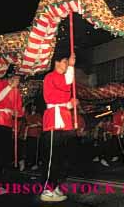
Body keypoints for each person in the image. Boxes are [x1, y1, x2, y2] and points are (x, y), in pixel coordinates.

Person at [40, 53, 76, 202]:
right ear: (57, 62)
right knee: (52, 157)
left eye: (68, 62)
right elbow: (64, 85)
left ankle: (54, 186)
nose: (67, 64)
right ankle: (47, 190)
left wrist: (69, 104)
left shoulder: (61, 78)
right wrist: (72, 67)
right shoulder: (50, 77)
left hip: (63, 117)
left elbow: (62, 97)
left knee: (60, 157)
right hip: (54, 118)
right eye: (65, 62)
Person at [0, 66, 24, 194]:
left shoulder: (16, 91)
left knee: (3, 155)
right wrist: (9, 87)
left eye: (19, 78)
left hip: (7, 124)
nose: (18, 81)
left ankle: (0, 183)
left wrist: (17, 112)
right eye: (17, 77)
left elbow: (19, 112)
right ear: (11, 76)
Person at [23, 104, 42, 170]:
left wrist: (32, 125)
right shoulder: (28, 115)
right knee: (29, 149)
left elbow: (40, 124)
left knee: (35, 150)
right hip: (29, 134)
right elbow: (26, 121)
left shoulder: (38, 115)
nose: (33, 107)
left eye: (34, 106)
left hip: (36, 134)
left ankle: (35, 163)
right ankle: (30, 162)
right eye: (32, 106)